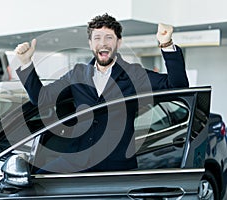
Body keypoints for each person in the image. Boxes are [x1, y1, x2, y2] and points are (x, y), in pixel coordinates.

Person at [15, 13, 189, 173]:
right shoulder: (77, 73)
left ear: (118, 43)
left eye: (109, 38)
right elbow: (41, 99)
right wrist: (26, 63)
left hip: (116, 167)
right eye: (97, 38)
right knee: (33, 186)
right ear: (91, 44)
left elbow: (177, 86)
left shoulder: (134, 74)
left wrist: (166, 44)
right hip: (75, 162)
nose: (103, 43)